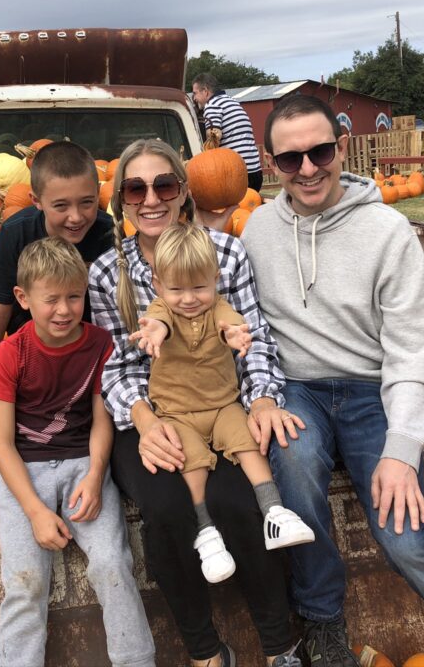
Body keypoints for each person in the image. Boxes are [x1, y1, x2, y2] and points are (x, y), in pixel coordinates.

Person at [241, 94, 424, 667]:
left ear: (343, 147)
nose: (307, 169)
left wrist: (402, 450)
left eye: (320, 151)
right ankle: (323, 620)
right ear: (270, 161)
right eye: (290, 159)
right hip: (296, 387)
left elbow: (410, 354)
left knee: (405, 536)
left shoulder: (387, 231)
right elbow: (234, 313)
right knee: (297, 467)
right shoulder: (257, 229)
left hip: (368, 391)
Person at [88, 139, 302, 667]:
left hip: (221, 399)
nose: (151, 198)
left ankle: (280, 645)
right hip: (148, 408)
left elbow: (254, 339)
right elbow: (113, 365)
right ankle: (206, 651)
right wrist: (143, 420)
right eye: (136, 188)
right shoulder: (105, 273)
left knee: (237, 499)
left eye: (164, 185)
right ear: (121, 200)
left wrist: (262, 400)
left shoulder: (226, 251)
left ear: (184, 192)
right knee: (164, 507)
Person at [0, 236, 155, 667]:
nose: (64, 310)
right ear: (23, 298)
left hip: (82, 464)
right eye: (51, 299)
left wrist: (96, 476)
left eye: (74, 297)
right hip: (25, 471)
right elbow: (0, 444)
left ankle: (137, 661)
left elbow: (101, 419)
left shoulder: (98, 345)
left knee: (113, 564)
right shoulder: (10, 355)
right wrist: (36, 511)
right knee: (25, 583)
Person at [130, 223, 313, 584]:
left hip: (223, 404)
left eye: (199, 287)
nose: (188, 299)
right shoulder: (161, 310)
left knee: (249, 442)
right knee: (191, 461)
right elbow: (161, 321)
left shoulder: (218, 307)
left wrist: (235, 333)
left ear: (215, 279)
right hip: (176, 412)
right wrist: (154, 331)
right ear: (158, 285)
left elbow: (230, 321)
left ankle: (275, 511)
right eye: (176, 289)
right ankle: (205, 531)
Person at [0, 140, 112, 417]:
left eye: (87, 203)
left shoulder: (107, 234)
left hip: (91, 357)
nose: (76, 217)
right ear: (36, 200)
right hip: (31, 357)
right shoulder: (16, 233)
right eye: (60, 206)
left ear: (98, 194)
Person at [191, 73, 263, 192]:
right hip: (255, 171)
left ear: (205, 91)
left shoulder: (212, 105)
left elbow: (214, 138)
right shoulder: (233, 102)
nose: (194, 98)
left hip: (238, 174)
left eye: (195, 93)